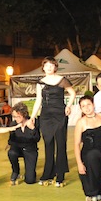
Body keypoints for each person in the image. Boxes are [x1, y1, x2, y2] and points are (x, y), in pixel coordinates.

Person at [29, 56, 76, 187]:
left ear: (55, 67)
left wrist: (69, 105)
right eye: (46, 65)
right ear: (43, 67)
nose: (49, 67)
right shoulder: (40, 83)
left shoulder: (62, 80)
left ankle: (60, 175)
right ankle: (48, 174)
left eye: (51, 65)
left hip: (60, 114)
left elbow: (72, 93)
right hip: (45, 116)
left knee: (61, 144)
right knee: (48, 144)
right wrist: (33, 116)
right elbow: (38, 100)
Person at [74, 95, 101, 201]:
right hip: (86, 156)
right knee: (90, 159)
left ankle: (96, 190)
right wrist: (79, 164)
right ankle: (95, 190)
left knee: (93, 155)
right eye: (83, 106)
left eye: (89, 104)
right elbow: (76, 144)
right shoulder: (80, 122)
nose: (87, 108)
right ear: (81, 108)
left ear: (94, 104)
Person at [7, 102, 40, 185]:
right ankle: (15, 171)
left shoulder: (33, 122)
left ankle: (30, 173)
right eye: (14, 116)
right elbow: (11, 140)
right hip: (18, 148)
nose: (16, 119)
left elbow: (37, 139)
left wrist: (33, 129)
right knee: (11, 152)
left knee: (30, 180)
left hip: (30, 150)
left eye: (18, 116)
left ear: (24, 114)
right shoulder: (13, 124)